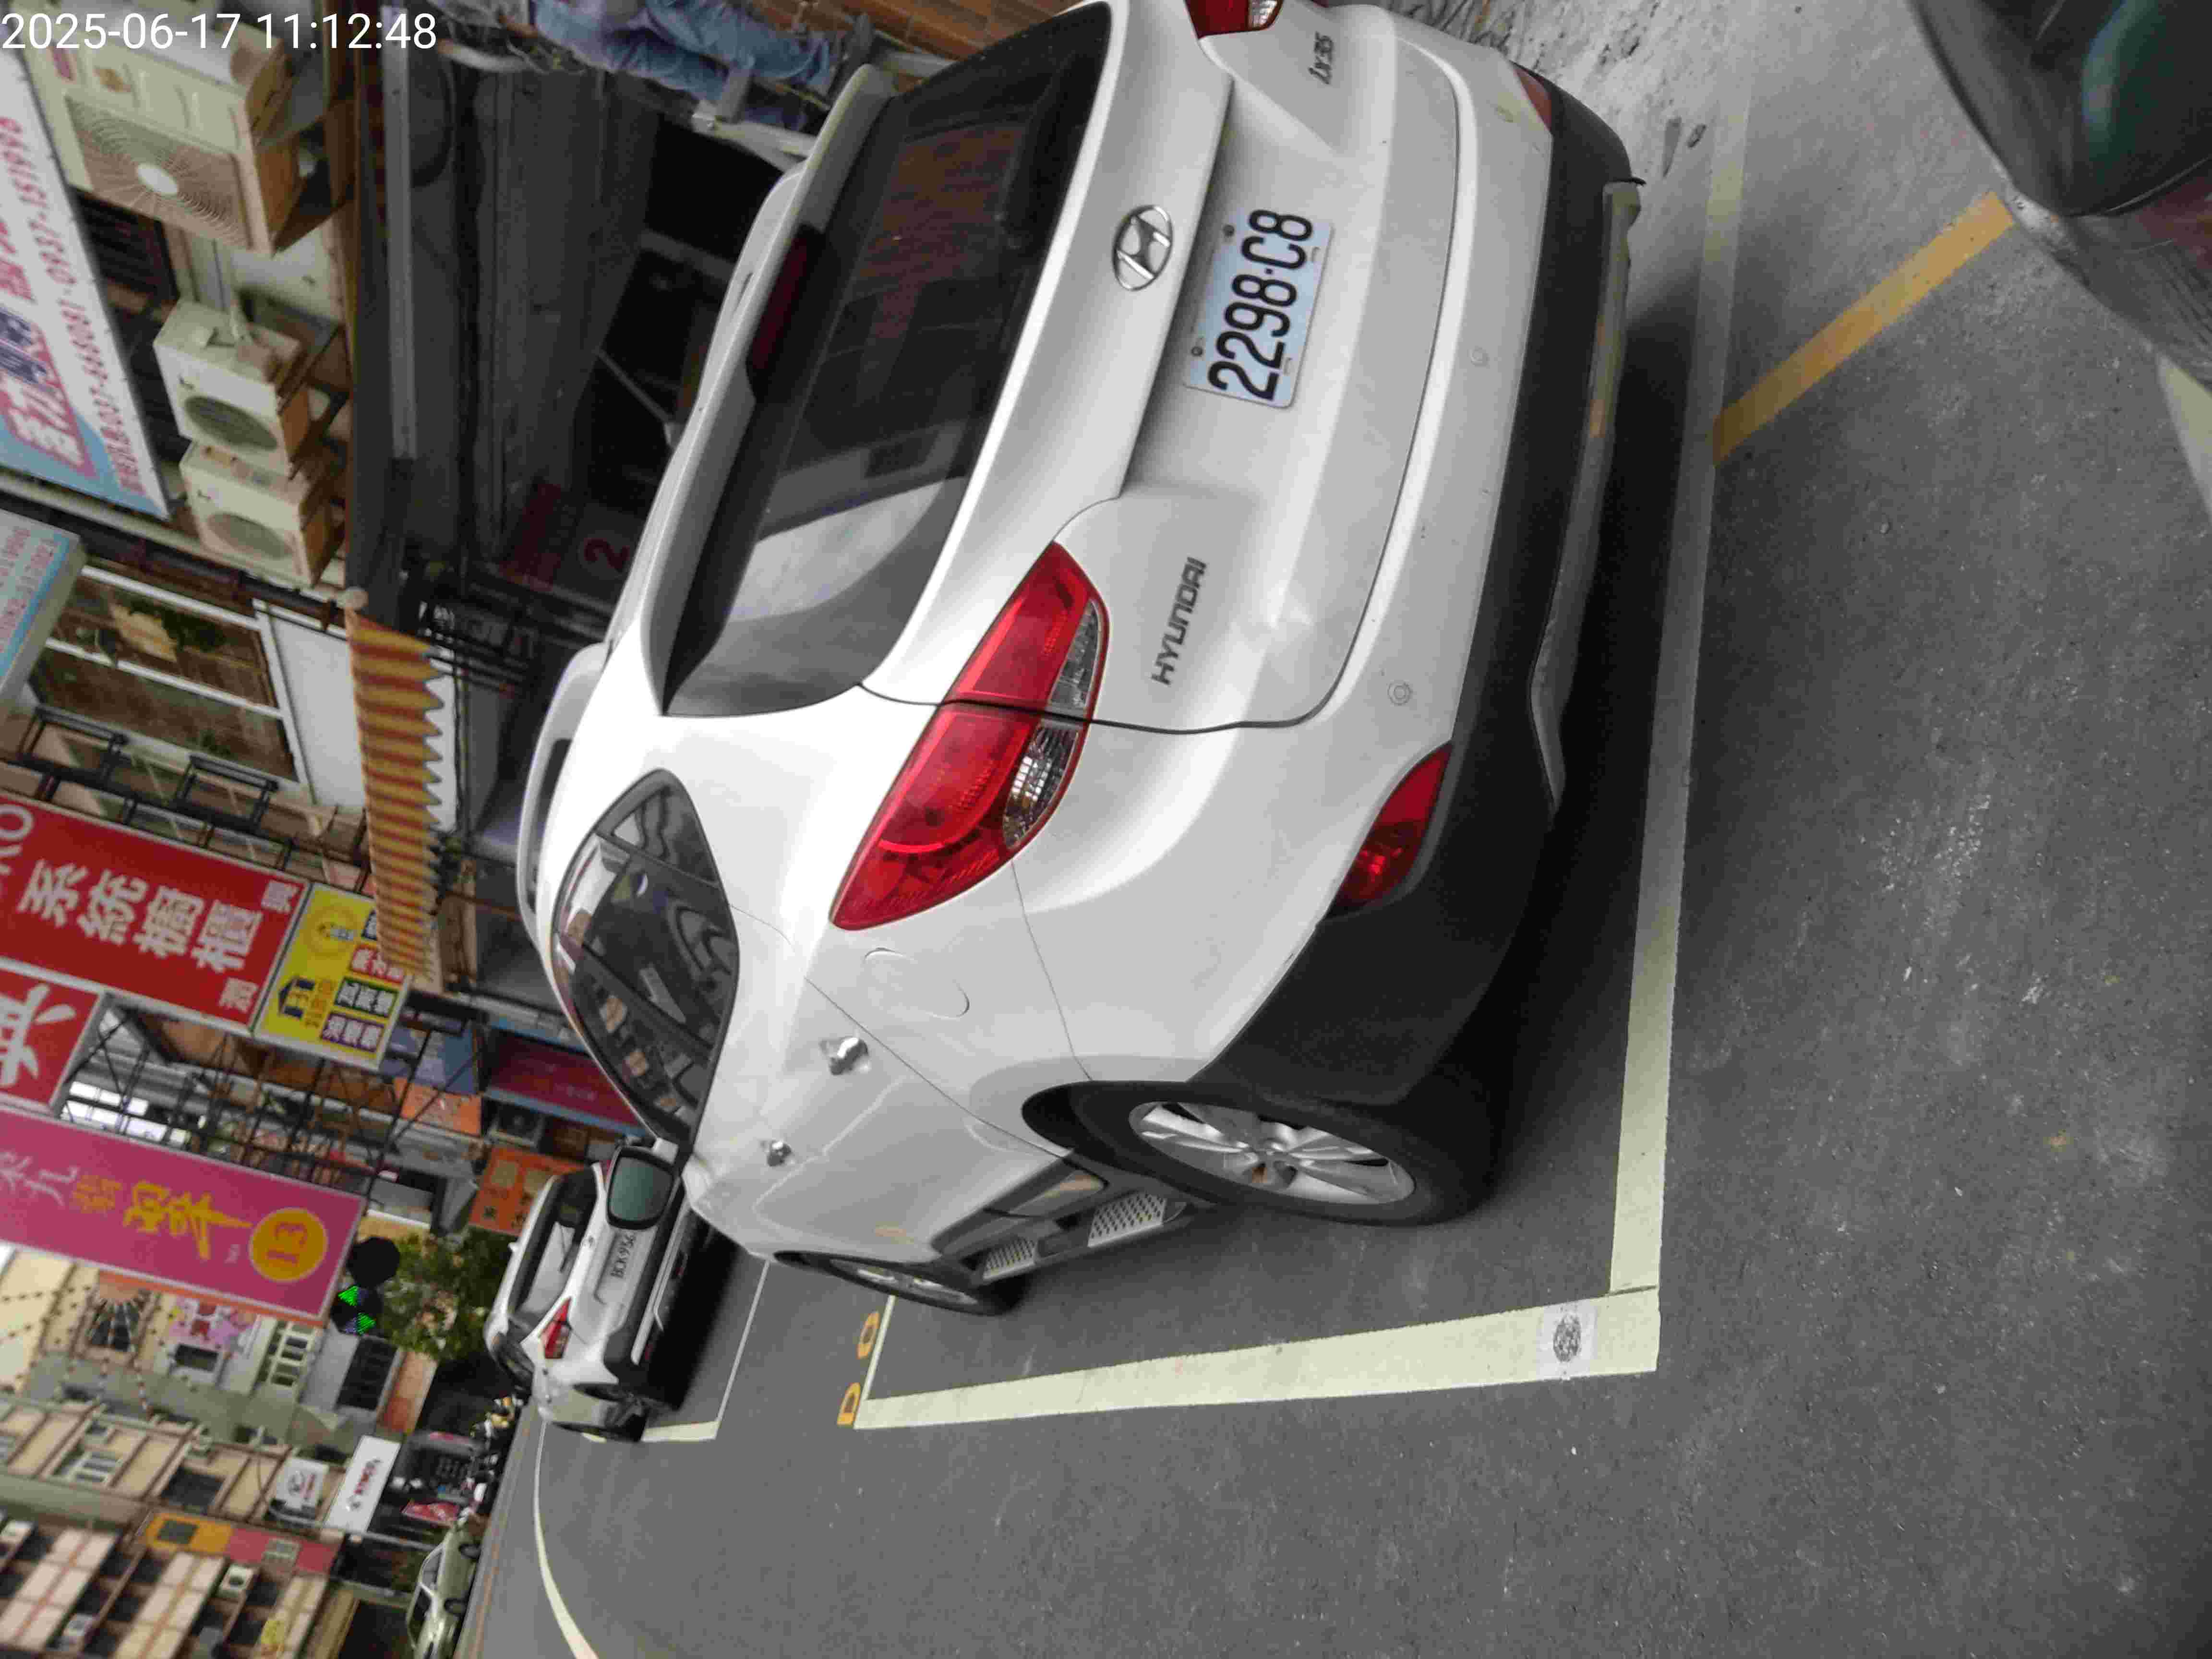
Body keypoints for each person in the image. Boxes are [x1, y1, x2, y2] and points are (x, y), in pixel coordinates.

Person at [519, 0, 873, 114]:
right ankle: (824, 68)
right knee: (694, 16)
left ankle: (788, 123)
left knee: (681, 69)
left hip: (551, 24)